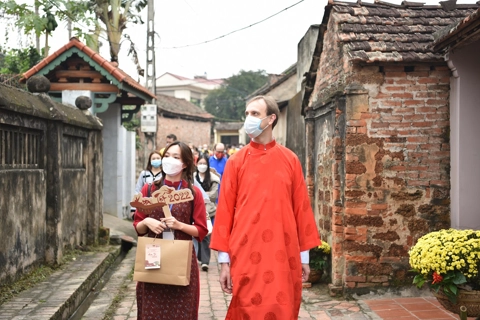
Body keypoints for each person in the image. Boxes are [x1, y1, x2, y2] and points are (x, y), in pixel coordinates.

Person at [210, 95, 321, 319]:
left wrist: (304, 257)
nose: (248, 119)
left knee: (283, 307)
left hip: (284, 251)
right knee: (247, 308)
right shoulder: (235, 162)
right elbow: (224, 213)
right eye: (247, 114)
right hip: (245, 251)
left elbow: (301, 209)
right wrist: (224, 262)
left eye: (255, 114)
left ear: (271, 118)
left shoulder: (290, 160)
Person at [133, 141, 208, 320]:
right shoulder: (149, 189)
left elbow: (201, 230)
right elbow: (138, 226)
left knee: (182, 310)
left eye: (175, 157)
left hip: (181, 256)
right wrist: (149, 221)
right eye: (166, 156)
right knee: (151, 309)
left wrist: (179, 225)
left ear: (186, 163)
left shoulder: (193, 193)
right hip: (153, 254)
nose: (169, 160)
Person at [193, 153, 220, 272]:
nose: (202, 166)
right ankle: (199, 256)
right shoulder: (193, 177)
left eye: (204, 163)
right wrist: (204, 194)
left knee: (206, 234)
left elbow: (214, 195)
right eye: (200, 163)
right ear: (196, 164)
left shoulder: (213, 178)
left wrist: (201, 194)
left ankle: (205, 261)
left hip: (209, 210)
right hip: (196, 210)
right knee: (196, 234)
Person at [130, 151, 162, 220]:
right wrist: (133, 209)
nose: (156, 160)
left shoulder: (164, 174)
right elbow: (138, 191)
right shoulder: (144, 173)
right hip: (145, 205)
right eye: (153, 159)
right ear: (150, 161)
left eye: (158, 158)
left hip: (159, 206)